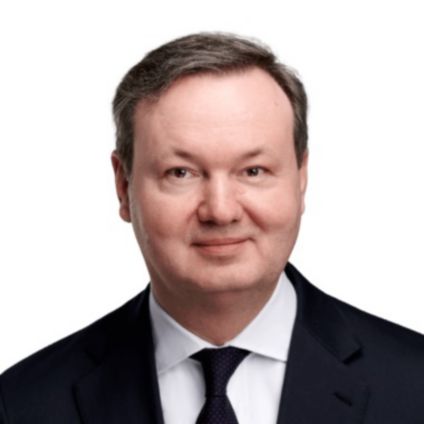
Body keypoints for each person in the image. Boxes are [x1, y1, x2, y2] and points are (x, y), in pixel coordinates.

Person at [1, 32, 423, 424]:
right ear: (123, 186)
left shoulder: (414, 386)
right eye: (181, 173)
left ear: (301, 178)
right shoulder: (21, 404)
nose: (220, 211)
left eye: (253, 170)